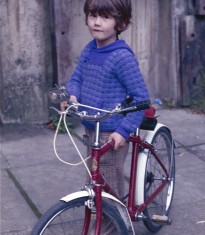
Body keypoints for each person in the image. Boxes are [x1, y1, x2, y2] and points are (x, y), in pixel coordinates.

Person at [62, 0, 150, 199]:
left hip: (112, 132)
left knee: (108, 182)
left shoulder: (121, 57)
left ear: (121, 23)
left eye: (105, 17)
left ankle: (111, 225)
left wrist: (123, 131)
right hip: (92, 127)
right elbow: (77, 77)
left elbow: (141, 98)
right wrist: (72, 94)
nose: (97, 22)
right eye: (93, 16)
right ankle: (98, 218)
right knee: (93, 178)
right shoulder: (90, 49)